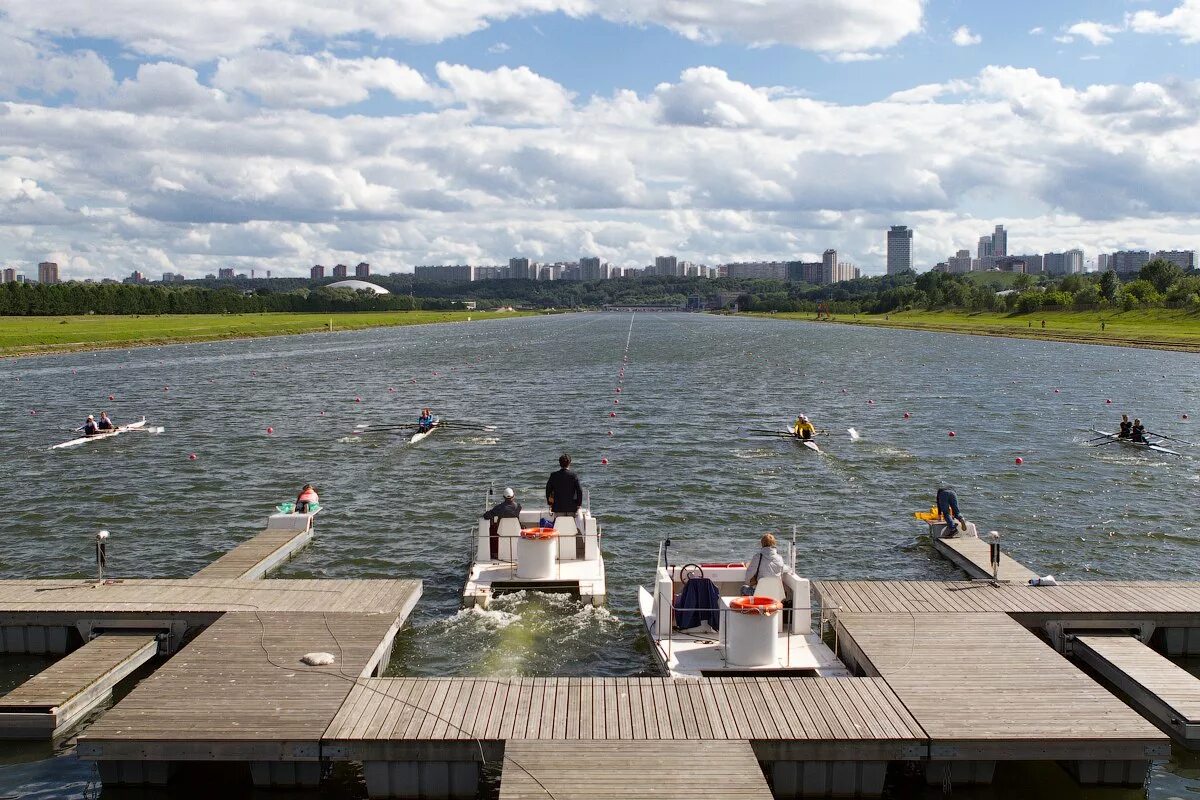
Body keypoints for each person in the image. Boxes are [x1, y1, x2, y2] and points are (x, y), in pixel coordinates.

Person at [546, 454, 585, 557]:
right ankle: (571, 551)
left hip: (558, 507)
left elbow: (548, 490)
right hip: (571, 507)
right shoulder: (573, 476)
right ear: (570, 463)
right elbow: (580, 491)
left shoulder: (553, 475)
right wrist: (578, 504)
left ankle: (559, 552)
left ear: (560, 463)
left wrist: (550, 503)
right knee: (570, 528)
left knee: (559, 529)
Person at [482, 487, 522, 560]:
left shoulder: (499, 508)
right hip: (516, 532)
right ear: (513, 496)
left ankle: (498, 555)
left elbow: (486, 516)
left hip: (502, 532)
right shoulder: (518, 507)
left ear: (503, 497)